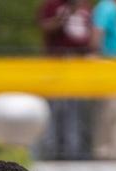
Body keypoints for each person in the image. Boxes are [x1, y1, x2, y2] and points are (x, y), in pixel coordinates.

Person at [38, 0, 94, 159]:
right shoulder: (52, 5)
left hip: (78, 66)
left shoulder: (85, 7)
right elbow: (45, 26)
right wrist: (64, 16)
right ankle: (51, 152)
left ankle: (73, 152)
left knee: (75, 111)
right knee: (55, 109)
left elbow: (89, 36)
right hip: (57, 65)